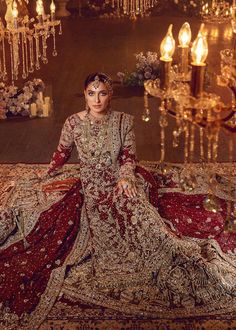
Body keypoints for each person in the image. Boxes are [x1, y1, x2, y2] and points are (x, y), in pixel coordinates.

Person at [0, 72, 236, 329]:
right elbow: (62, 153)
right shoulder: (73, 123)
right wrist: (46, 173)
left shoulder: (124, 122)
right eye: (91, 93)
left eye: (102, 93)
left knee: (137, 210)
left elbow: (128, 156)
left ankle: (170, 251)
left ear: (110, 94)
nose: (97, 99)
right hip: (92, 186)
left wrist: (125, 179)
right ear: (85, 95)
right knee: (106, 223)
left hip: (120, 180)